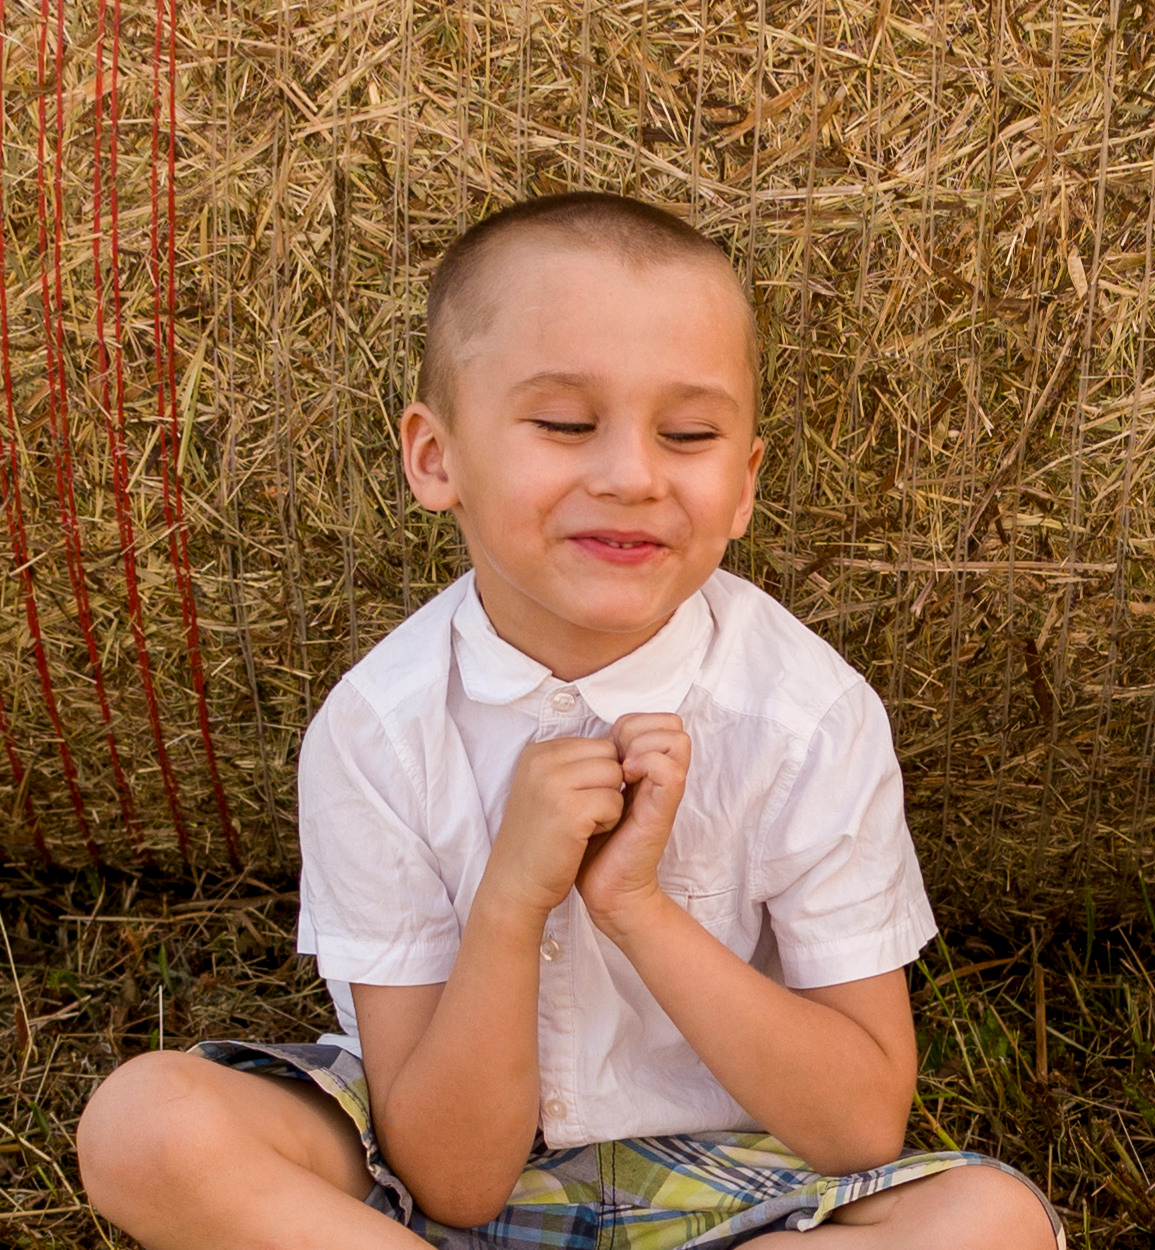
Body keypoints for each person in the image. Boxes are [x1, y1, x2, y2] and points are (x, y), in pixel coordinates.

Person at [77, 193, 1064, 1250]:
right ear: (436, 457)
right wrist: (512, 896)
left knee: (990, 1225)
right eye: (563, 424)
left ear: (743, 484)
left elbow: (859, 1125)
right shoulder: (379, 731)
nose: (631, 475)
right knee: (146, 1124)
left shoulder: (808, 717)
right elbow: (452, 1180)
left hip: (731, 1177)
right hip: (421, 1154)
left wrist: (635, 905)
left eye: (689, 435)